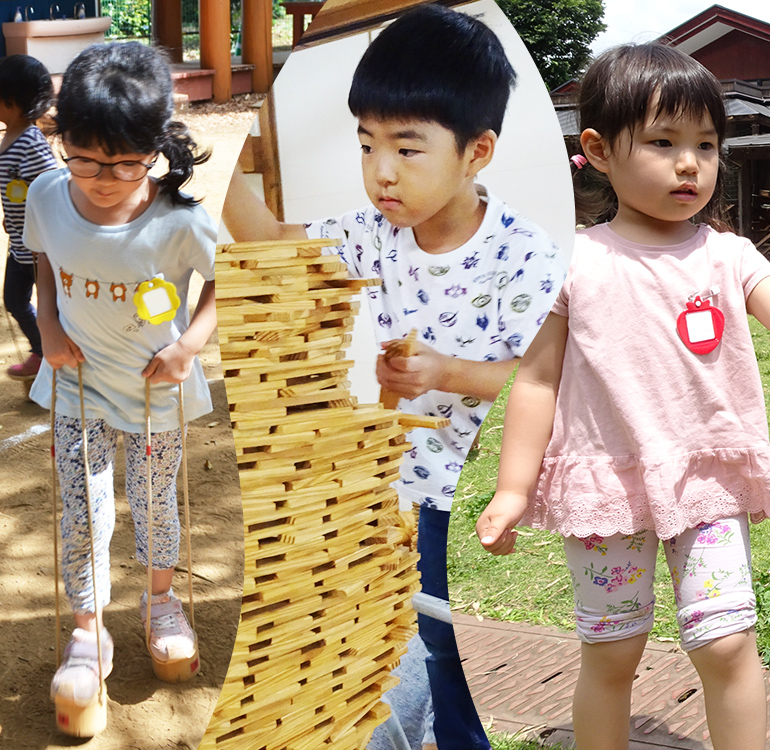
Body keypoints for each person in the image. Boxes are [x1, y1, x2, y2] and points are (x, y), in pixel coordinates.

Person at [224, 5, 567, 748]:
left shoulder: (525, 254)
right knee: (402, 657)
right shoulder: (370, 233)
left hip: (462, 497)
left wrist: (445, 371)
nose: (381, 170)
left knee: (438, 657)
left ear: (477, 152)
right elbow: (278, 242)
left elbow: (543, 379)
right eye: (367, 143)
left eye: (407, 149)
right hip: (384, 490)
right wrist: (211, 164)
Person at [476, 42, 770, 750]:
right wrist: (513, 488)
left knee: (727, 646)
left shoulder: (729, 257)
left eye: (706, 143)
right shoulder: (574, 261)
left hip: (706, 482)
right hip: (605, 487)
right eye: (665, 142)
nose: (690, 163)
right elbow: (538, 380)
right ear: (599, 150)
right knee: (611, 655)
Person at [23, 42, 217, 729]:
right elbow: (42, 265)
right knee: (83, 511)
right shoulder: (47, 194)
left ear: (155, 149)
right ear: (61, 137)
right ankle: (85, 629)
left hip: (155, 395)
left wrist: (190, 345)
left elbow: (228, 281)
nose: (102, 178)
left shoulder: (180, 220)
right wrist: (46, 326)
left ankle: (161, 601)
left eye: (124, 162)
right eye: (83, 156)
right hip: (75, 386)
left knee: (156, 501)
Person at [0, 54, 57, 381]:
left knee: (55, 308)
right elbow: (17, 189)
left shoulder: (30, 144)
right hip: (19, 243)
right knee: (14, 301)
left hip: (40, 248)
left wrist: (40, 230)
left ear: (10, 103)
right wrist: (13, 215)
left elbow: (51, 188)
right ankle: (42, 352)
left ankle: (54, 361)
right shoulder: (11, 139)